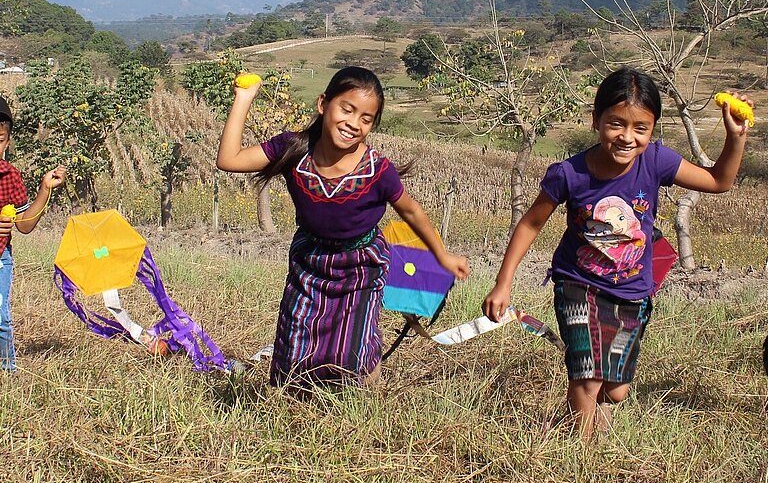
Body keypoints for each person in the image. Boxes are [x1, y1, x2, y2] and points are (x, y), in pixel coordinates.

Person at [483, 69, 753, 439]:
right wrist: (503, 283)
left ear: (653, 129)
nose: (627, 137)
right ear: (596, 120)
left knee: (616, 389)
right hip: (577, 282)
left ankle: (593, 437)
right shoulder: (569, 173)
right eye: (615, 124)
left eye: (640, 128)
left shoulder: (657, 161)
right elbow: (529, 224)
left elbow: (719, 182)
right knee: (588, 374)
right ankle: (582, 453)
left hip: (632, 291)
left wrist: (734, 139)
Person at [217, 66, 469, 388]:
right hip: (309, 262)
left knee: (353, 356)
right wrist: (244, 98)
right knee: (292, 355)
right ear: (323, 104)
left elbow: (412, 212)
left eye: (366, 119)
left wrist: (442, 256)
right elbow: (229, 159)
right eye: (346, 109)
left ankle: (367, 401)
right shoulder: (292, 149)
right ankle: (290, 404)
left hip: (361, 265)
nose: (353, 123)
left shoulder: (378, 170)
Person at [0, 96, 67, 372]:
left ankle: (7, 370)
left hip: (0, 256)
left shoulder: (9, 176)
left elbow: (24, 225)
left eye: (1, 139)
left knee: (0, 318)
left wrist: (45, 189)